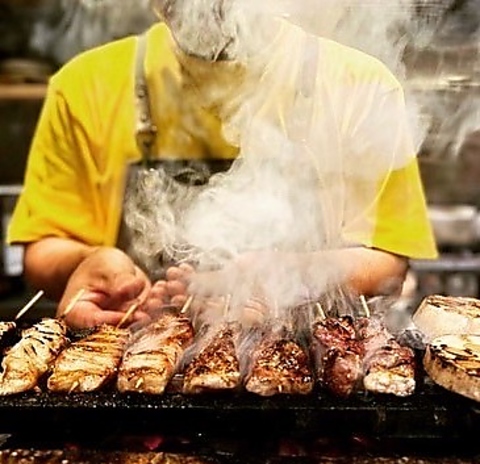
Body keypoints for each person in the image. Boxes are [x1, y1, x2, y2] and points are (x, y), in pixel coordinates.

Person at [7, 1, 438, 329]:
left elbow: (388, 263)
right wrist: (88, 260)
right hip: (134, 370)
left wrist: (295, 274)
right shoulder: (86, 84)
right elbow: (44, 246)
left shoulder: (361, 85)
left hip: (305, 388)